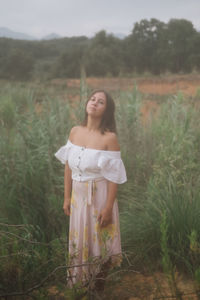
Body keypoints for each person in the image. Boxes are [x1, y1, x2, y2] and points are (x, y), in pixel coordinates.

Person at [55, 89, 127, 289]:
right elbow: (68, 167)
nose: (94, 102)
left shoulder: (109, 138)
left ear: (106, 110)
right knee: (81, 241)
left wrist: (108, 207)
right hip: (78, 198)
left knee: (101, 243)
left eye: (101, 102)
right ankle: (80, 286)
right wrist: (66, 198)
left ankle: (98, 288)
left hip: (100, 197)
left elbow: (114, 177)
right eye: (92, 99)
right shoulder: (75, 131)